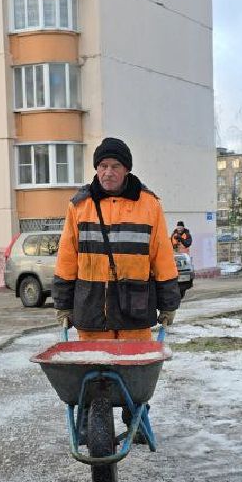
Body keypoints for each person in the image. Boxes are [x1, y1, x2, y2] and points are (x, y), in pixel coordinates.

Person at [53, 136, 181, 342]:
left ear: (127, 169)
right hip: (92, 312)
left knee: (133, 369)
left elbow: (162, 257)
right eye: (103, 166)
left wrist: (168, 304)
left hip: (134, 312)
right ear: (96, 168)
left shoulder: (150, 205)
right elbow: (67, 258)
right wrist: (63, 304)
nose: (108, 172)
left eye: (115, 166)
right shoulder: (79, 206)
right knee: (93, 370)